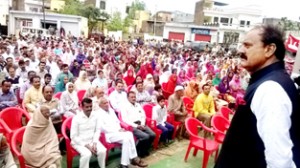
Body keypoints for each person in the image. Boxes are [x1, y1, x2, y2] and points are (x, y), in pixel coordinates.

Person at [215, 25, 300, 167]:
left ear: (269, 50)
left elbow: (280, 160)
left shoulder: (270, 89)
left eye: (247, 45)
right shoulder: (273, 80)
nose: (240, 50)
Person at [98, 97, 148, 168]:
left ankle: (129, 161)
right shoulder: (98, 114)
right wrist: (117, 130)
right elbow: (103, 128)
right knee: (126, 139)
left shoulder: (111, 110)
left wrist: (120, 128)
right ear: (100, 105)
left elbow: (117, 121)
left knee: (129, 134)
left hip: (117, 132)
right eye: (104, 103)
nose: (107, 104)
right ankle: (128, 162)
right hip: (108, 134)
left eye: (107, 102)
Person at [71, 98, 107, 168]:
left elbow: (97, 130)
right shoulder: (76, 118)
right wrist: (87, 146)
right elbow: (73, 136)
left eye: (90, 106)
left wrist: (95, 142)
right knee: (87, 154)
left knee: (102, 151)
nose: (89, 108)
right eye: (87, 107)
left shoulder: (96, 115)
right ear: (82, 107)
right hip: (79, 142)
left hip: (92, 140)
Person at [121, 91, 156, 158]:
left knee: (153, 135)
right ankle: (137, 152)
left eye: (134, 97)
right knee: (145, 136)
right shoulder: (124, 106)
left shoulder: (138, 105)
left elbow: (143, 115)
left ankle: (144, 150)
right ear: (128, 98)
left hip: (141, 124)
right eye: (132, 97)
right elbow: (125, 120)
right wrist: (137, 126)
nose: (133, 98)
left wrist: (142, 124)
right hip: (132, 126)